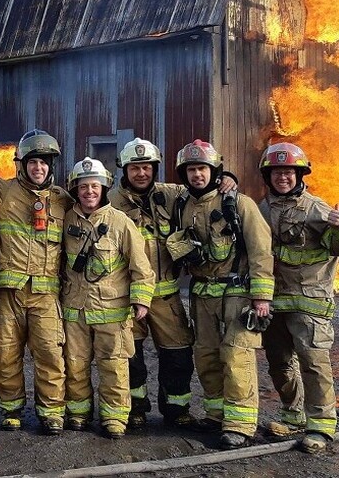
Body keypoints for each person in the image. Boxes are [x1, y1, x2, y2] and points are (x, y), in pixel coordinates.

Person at [108, 138, 237, 428]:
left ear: (155, 169)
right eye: (134, 168)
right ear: (124, 171)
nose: (141, 173)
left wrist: (226, 178)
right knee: (131, 358)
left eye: (146, 167)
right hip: (126, 298)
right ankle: (134, 409)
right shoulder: (110, 201)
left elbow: (203, 188)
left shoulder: (173, 195)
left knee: (178, 357)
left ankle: (176, 410)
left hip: (167, 297)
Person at [166, 139, 274, 449]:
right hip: (202, 295)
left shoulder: (239, 204)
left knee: (236, 355)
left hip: (236, 293)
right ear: (183, 174)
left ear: (215, 170)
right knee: (207, 355)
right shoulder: (183, 205)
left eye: (203, 169)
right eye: (191, 170)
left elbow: (260, 251)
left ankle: (239, 424)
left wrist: (262, 297)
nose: (197, 175)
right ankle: (216, 415)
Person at [0, 129, 73, 435]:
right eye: (33, 162)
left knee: (50, 353)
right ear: (21, 164)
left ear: (51, 166)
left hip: (46, 296)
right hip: (8, 294)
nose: (39, 168)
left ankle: (52, 413)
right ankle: (11, 410)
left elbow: (98, 199)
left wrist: (229, 182)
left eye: (44, 163)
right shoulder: (1, 191)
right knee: (5, 353)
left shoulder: (63, 200)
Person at [61, 157, 155, 439]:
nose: (89, 192)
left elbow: (142, 267)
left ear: (104, 189)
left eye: (95, 186)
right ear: (75, 189)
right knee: (75, 364)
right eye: (83, 187)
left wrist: (141, 300)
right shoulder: (66, 220)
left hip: (112, 311)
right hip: (74, 309)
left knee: (113, 365)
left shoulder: (121, 223)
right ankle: (78, 413)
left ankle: (114, 417)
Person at [258, 143, 338, 453]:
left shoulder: (316, 208)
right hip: (273, 301)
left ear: (300, 174)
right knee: (279, 363)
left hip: (309, 302)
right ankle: (293, 413)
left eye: (289, 172)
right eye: (277, 172)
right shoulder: (262, 209)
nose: (283, 177)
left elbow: (336, 247)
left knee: (314, 363)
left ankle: (321, 425)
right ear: (269, 176)